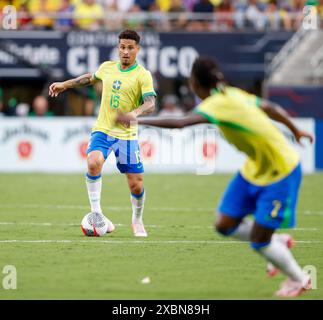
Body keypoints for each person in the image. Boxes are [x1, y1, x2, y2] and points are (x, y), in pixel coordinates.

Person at [123, 56, 314, 297]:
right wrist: (295, 130)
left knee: (259, 240)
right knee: (224, 224)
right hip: (255, 168)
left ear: (196, 85)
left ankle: (300, 278)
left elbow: (181, 123)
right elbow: (268, 107)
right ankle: (277, 239)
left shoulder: (216, 104)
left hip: (281, 171)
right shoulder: (233, 94)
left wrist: (137, 120)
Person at [49, 29, 156, 237]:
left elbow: (150, 102)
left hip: (126, 136)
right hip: (103, 130)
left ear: (137, 49)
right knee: (93, 162)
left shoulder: (143, 75)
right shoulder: (107, 68)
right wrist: (65, 85)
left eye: (130, 48)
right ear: (118, 48)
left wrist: (134, 113)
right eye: (122, 47)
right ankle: (97, 215)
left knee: (136, 184)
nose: (125, 52)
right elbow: (89, 78)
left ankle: (137, 219)